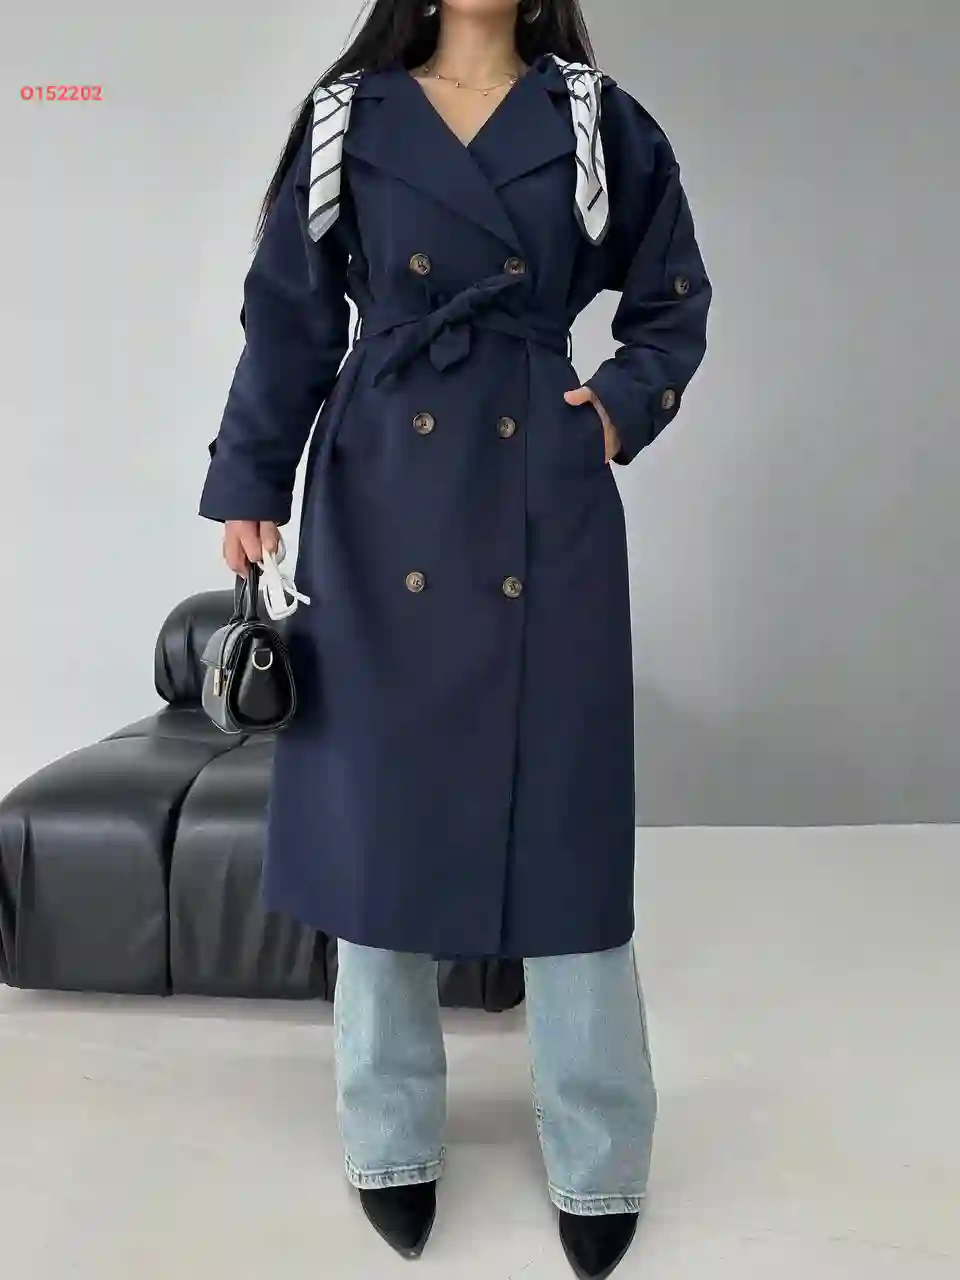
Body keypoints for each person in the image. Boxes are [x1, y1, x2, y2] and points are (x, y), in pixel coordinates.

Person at [199, 0, 711, 1274]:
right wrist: (250, 477)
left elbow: (672, 296)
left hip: (543, 487)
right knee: (382, 812)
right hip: (381, 487)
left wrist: (617, 408)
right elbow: (289, 315)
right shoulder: (344, 118)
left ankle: (601, 1151)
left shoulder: (594, 117)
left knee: (570, 819)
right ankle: (390, 1141)